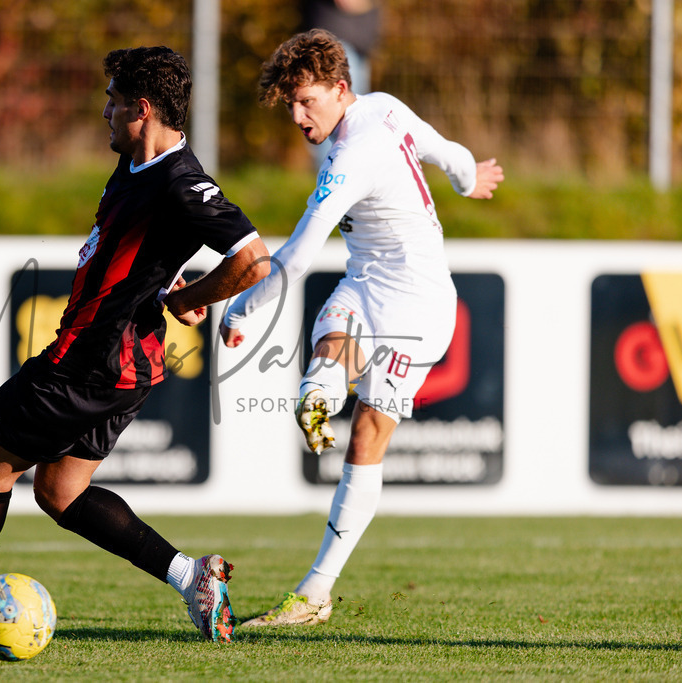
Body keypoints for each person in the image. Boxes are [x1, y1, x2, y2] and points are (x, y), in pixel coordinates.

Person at [0, 45, 270, 644]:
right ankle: (192, 576)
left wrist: (185, 299)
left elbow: (254, 261)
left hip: (91, 359)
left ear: (142, 109)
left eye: (113, 100)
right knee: (59, 491)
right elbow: (142, 250)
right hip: (122, 362)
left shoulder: (181, 181)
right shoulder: (137, 164)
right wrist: (166, 278)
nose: (104, 110)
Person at [219, 29, 503, 626]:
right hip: (368, 285)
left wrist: (242, 308)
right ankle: (320, 391)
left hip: (418, 307)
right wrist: (467, 177)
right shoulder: (383, 107)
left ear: (340, 89)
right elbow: (445, 149)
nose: (297, 116)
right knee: (332, 333)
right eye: (291, 104)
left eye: (307, 101)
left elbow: (296, 255)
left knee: (366, 435)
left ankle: (315, 593)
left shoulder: (350, 158)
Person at [302, 0, 381, 169]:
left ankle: (340, 176)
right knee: (337, 114)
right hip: (335, 41)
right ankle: (331, 175)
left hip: (357, 44)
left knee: (354, 116)